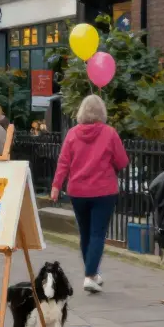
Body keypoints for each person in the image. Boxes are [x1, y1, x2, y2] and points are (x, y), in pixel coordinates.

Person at [50, 95, 128, 293]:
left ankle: (92, 273)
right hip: (103, 190)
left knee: (85, 233)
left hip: (78, 191)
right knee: (97, 234)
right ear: (102, 112)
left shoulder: (72, 134)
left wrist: (56, 185)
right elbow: (122, 161)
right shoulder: (110, 134)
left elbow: (63, 162)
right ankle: (90, 274)